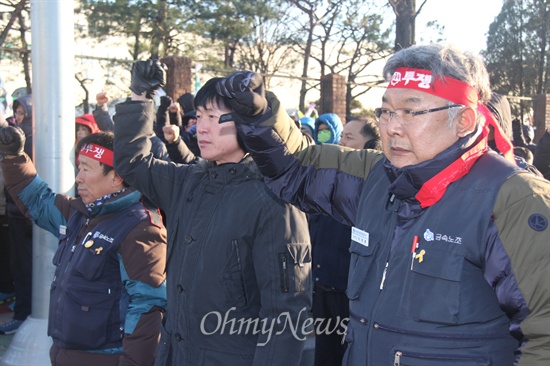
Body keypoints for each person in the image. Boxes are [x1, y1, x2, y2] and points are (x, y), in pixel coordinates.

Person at [215, 43, 550, 365]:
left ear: (462, 119)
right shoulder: (377, 176)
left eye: (411, 111)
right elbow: (299, 166)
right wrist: (260, 118)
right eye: (387, 111)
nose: (392, 128)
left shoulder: (512, 199)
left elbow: (544, 336)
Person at [112, 59, 312, 366]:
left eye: (215, 117)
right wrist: (141, 95)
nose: (201, 127)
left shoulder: (274, 201)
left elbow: (286, 310)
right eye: (200, 116)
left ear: (246, 124)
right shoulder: (189, 181)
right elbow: (133, 164)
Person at [0, 129, 167, 365]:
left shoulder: (140, 228)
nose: (79, 177)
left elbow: (148, 305)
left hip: (105, 357)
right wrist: (13, 157)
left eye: (86, 169)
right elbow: (39, 201)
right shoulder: (80, 213)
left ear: (117, 176)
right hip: (63, 352)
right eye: (79, 168)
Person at [0, 93, 33, 334]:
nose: (18, 118)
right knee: (18, 265)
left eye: (23, 113)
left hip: (29, 214)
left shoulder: (33, 141)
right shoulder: (15, 137)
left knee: (27, 267)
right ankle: (21, 310)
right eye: (17, 113)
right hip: (14, 212)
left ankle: (24, 313)